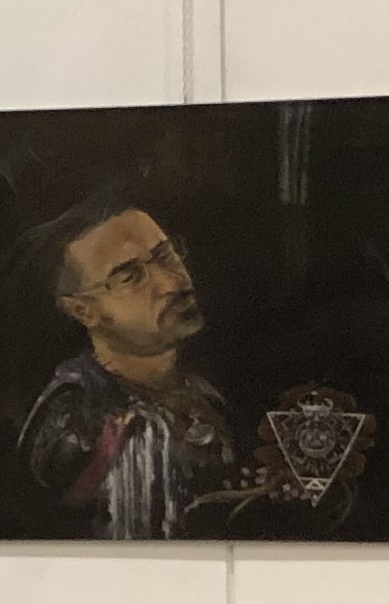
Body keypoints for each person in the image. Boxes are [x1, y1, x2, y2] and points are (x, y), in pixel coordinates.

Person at [12, 194, 241, 539]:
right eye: (129, 277)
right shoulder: (77, 415)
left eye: (166, 255)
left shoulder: (209, 400)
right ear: (83, 311)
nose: (172, 283)